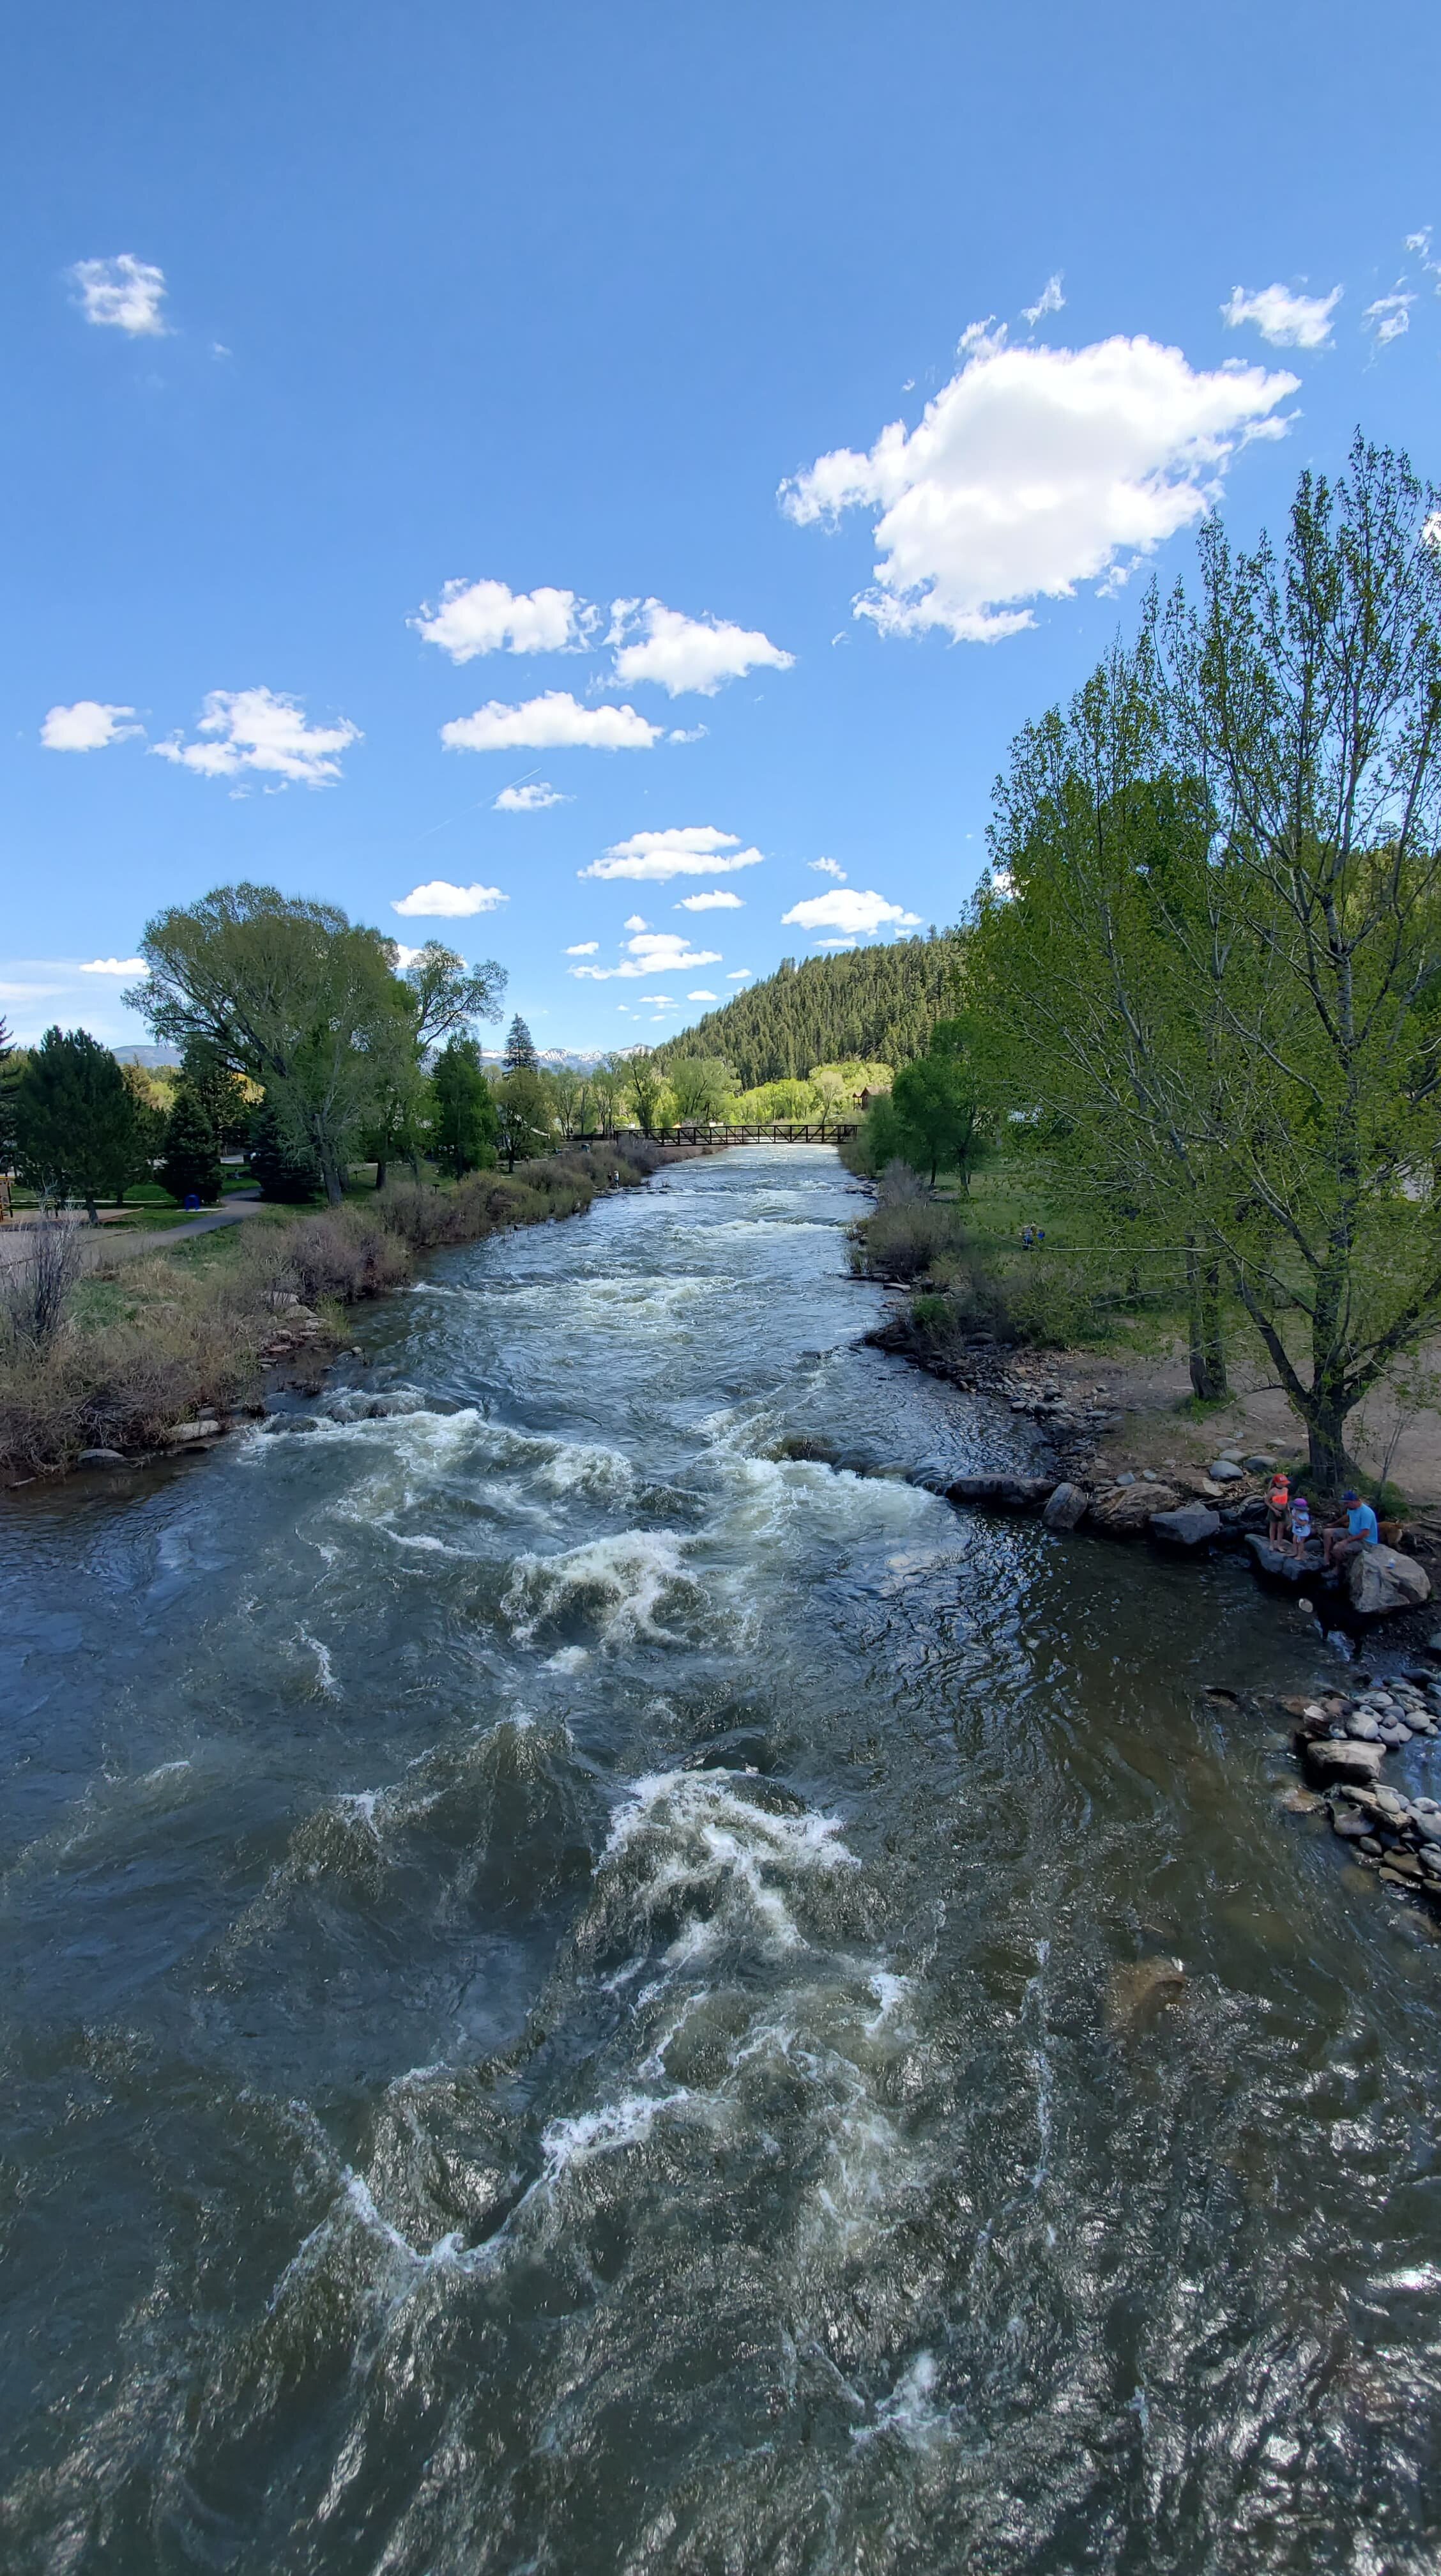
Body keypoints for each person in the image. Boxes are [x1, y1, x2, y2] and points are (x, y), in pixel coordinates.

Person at [1323, 1489, 1380, 1570]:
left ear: (1354, 1501)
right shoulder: (1351, 1509)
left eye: (1347, 1503)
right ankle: (1327, 1556)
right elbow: (1347, 1517)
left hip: (1365, 1541)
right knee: (1327, 1532)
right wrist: (1333, 1524)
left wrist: (1346, 1541)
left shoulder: (1366, 1513)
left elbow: (1365, 1533)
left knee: (1338, 1548)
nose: (1345, 1505)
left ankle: (1339, 1568)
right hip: (1351, 1533)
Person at [1267, 1471, 1290, 1547]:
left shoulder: (1286, 1490)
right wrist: (1274, 1510)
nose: (1284, 1484)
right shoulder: (1273, 1491)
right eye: (1282, 1483)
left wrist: (1288, 1507)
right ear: (1276, 1483)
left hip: (1283, 1511)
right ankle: (1272, 1543)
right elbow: (1266, 1501)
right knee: (1273, 1527)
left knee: (1281, 1528)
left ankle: (1279, 1544)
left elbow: (1286, 1499)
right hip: (1274, 1510)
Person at [1289, 1492, 1312, 1558]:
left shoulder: (1304, 1515)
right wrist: (1290, 1525)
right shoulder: (1294, 1511)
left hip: (1302, 1529)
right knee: (1294, 1540)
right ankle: (1294, 1552)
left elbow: (1304, 1524)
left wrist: (1297, 1519)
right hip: (1296, 1528)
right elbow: (1292, 1518)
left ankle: (1300, 1555)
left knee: (1300, 1542)